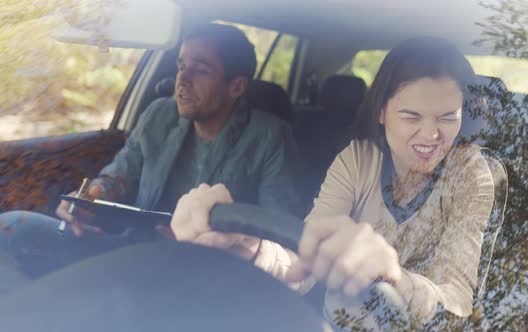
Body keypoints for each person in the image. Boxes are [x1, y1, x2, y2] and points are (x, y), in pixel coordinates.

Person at [168, 37, 495, 329]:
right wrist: (249, 246)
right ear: (381, 112)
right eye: (411, 116)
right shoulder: (358, 160)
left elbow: (458, 306)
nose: (431, 135)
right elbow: (301, 262)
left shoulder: (471, 175)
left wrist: (400, 283)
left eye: (448, 117)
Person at [0, 23, 302, 279]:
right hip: (135, 249)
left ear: (236, 87)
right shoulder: (159, 115)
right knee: (11, 227)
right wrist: (90, 199)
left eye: (200, 70)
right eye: (181, 66)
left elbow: (277, 228)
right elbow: (119, 174)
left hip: (207, 271)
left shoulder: (269, 136)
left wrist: (215, 241)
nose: (182, 80)